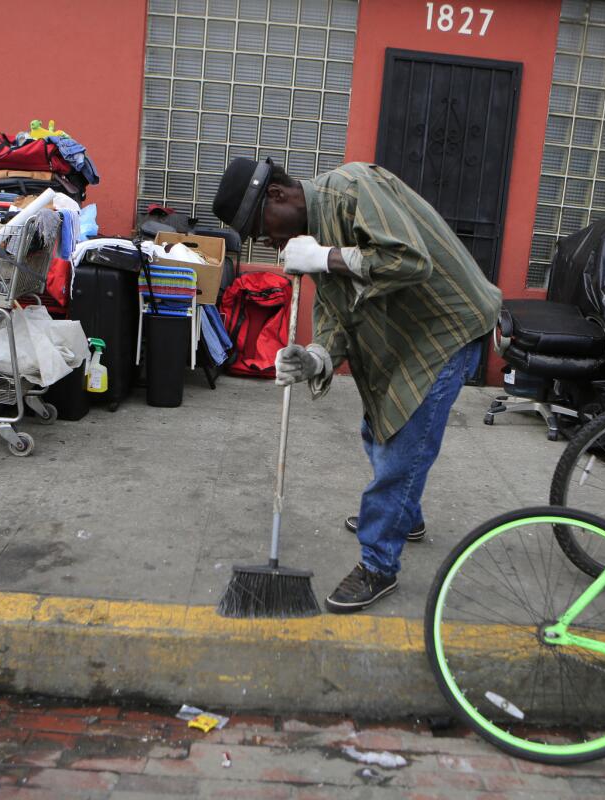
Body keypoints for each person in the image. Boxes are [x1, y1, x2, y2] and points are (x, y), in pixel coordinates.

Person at [213, 158, 502, 613]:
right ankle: (406, 516)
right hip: (404, 334)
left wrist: (325, 258)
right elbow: (333, 314)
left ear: (277, 196)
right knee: (378, 431)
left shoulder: (354, 190)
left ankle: (379, 564)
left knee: (400, 452)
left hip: (448, 328)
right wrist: (315, 357)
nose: (270, 243)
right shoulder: (310, 238)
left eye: (262, 229)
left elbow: (409, 259)